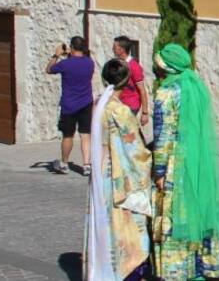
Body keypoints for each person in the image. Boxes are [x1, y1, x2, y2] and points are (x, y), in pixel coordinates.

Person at [151, 43, 219, 279]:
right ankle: (202, 268)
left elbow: (162, 137)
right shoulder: (197, 88)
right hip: (198, 166)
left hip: (177, 166)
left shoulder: (165, 94)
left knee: (177, 217)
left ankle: (180, 269)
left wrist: (160, 171)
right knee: (199, 213)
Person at [85, 59, 153, 280]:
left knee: (104, 223)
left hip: (100, 173)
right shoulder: (120, 111)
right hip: (119, 177)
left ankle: (104, 266)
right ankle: (126, 272)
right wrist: (150, 159)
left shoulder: (98, 106)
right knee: (126, 227)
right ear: (126, 81)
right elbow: (135, 151)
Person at [48, 37, 95, 175]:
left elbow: (49, 69)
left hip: (69, 104)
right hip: (86, 102)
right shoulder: (89, 63)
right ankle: (86, 165)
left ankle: (64, 163)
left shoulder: (66, 64)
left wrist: (56, 55)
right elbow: (83, 59)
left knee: (68, 135)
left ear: (72, 47)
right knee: (85, 134)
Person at [113, 36, 150, 128]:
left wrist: (145, 113)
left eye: (114, 47)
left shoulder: (133, 66)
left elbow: (142, 90)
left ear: (121, 50)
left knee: (125, 132)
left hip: (131, 104)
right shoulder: (119, 63)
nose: (112, 49)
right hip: (121, 103)